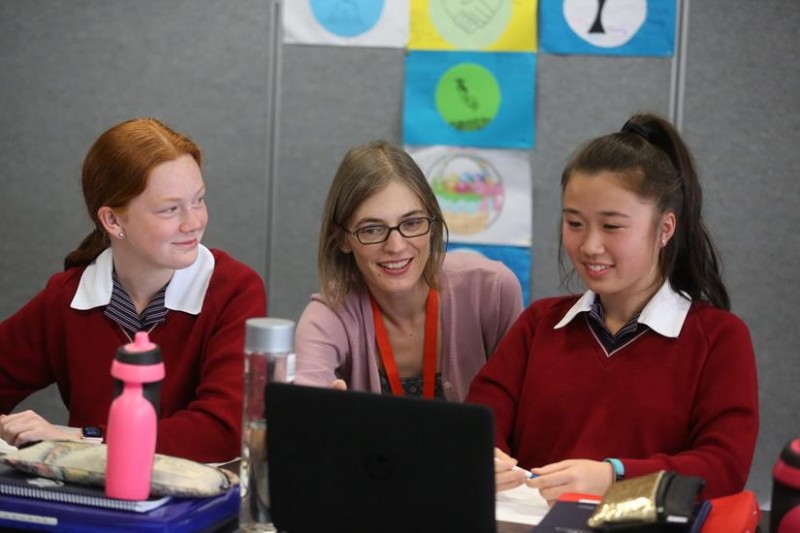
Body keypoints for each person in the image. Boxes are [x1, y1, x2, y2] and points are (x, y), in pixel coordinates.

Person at [468, 113, 758, 501]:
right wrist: (482, 454)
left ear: (665, 228)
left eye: (612, 226)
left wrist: (614, 478)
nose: (589, 246)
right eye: (575, 224)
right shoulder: (539, 323)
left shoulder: (719, 339)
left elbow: (723, 467)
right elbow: (481, 418)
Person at [0, 118, 267, 463]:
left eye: (198, 200)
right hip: (91, 491)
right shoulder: (65, 299)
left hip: (196, 495)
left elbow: (223, 432)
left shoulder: (235, 291)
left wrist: (81, 439)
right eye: (170, 209)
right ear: (112, 221)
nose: (194, 222)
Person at [294, 140, 524, 401]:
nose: (396, 246)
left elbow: (522, 405)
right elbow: (303, 396)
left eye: (412, 223)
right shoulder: (329, 315)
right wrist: (314, 412)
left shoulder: (492, 290)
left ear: (433, 224)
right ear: (343, 239)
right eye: (372, 229)